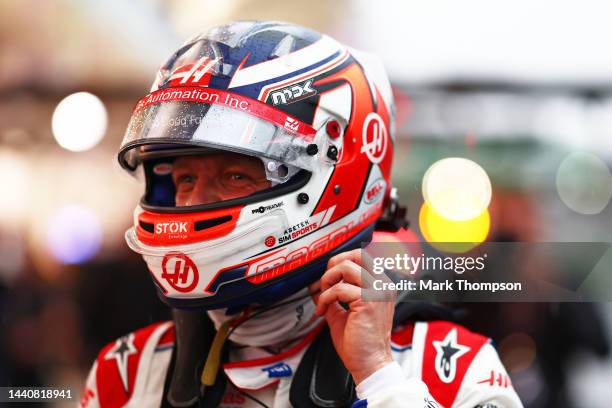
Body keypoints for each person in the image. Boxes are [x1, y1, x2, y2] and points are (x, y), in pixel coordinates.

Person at [80, 21, 523, 407]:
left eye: (235, 176)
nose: (194, 204)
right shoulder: (125, 374)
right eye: (184, 181)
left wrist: (380, 377)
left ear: (336, 175)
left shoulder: (452, 367)